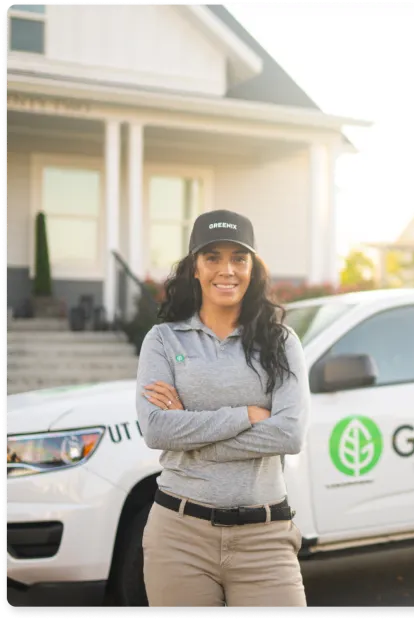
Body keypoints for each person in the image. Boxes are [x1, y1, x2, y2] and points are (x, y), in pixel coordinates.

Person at [136, 209, 311, 608]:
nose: (226, 269)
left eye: (239, 258)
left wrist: (192, 440)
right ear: (194, 268)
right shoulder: (163, 341)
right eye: (213, 257)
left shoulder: (281, 342)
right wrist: (244, 415)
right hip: (178, 536)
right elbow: (157, 430)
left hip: (265, 539)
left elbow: (289, 434)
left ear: (253, 268)